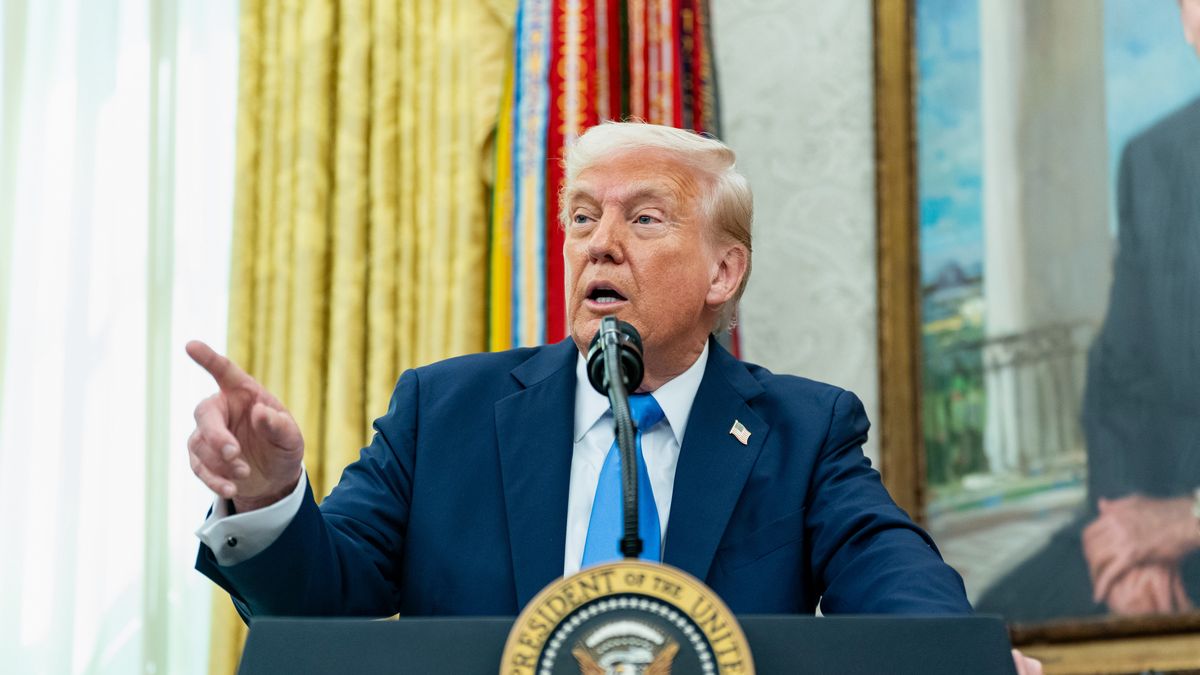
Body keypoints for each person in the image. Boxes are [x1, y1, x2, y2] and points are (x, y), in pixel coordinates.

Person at [977, 0, 1200, 620]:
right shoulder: (1154, 161)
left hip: (1186, 523)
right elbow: (1119, 379)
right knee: (993, 631)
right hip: (1151, 513)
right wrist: (1131, 540)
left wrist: (1189, 521)